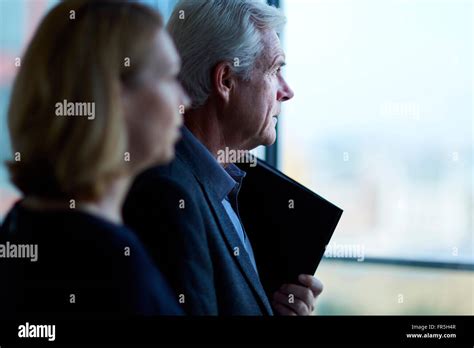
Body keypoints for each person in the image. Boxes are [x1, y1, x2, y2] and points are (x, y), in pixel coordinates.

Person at [123, 0, 323, 316]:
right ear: (226, 80)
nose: (286, 91)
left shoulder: (223, 183)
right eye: (274, 69)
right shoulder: (168, 196)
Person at [0, 0, 189, 316]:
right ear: (114, 97)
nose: (184, 99)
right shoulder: (115, 274)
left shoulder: (19, 228)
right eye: (170, 77)